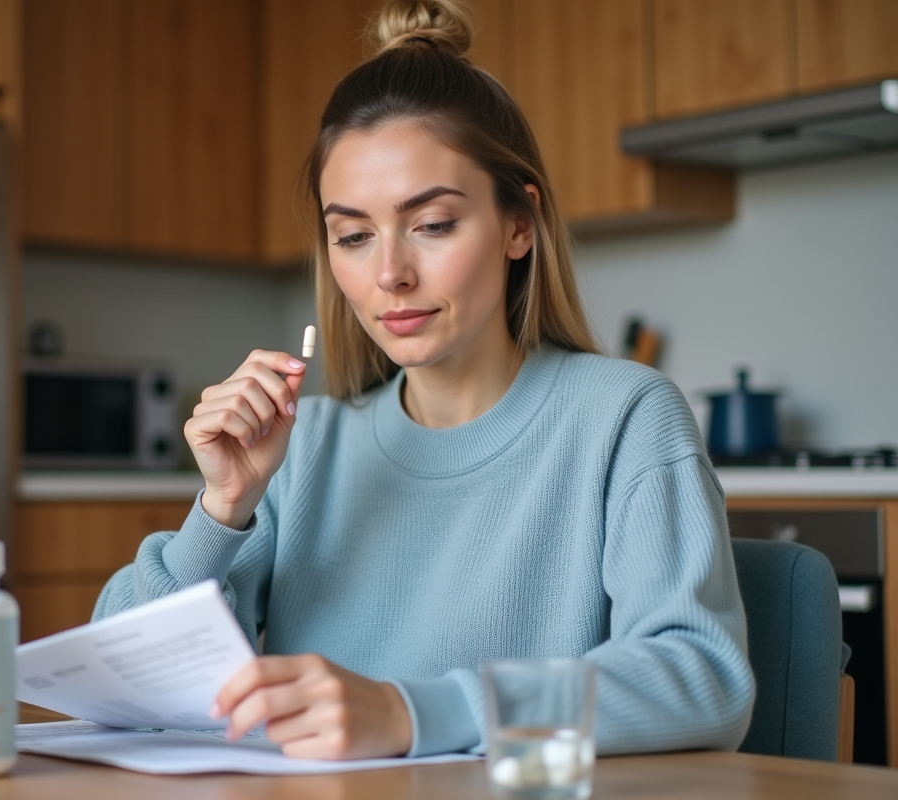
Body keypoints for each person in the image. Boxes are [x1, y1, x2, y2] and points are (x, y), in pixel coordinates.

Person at [93, 0, 754, 761]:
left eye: (433, 224)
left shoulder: (623, 418)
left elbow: (700, 678)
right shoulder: (302, 450)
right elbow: (124, 689)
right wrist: (222, 510)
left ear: (518, 225)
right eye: (353, 235)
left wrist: (413, 712)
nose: (390, 274)